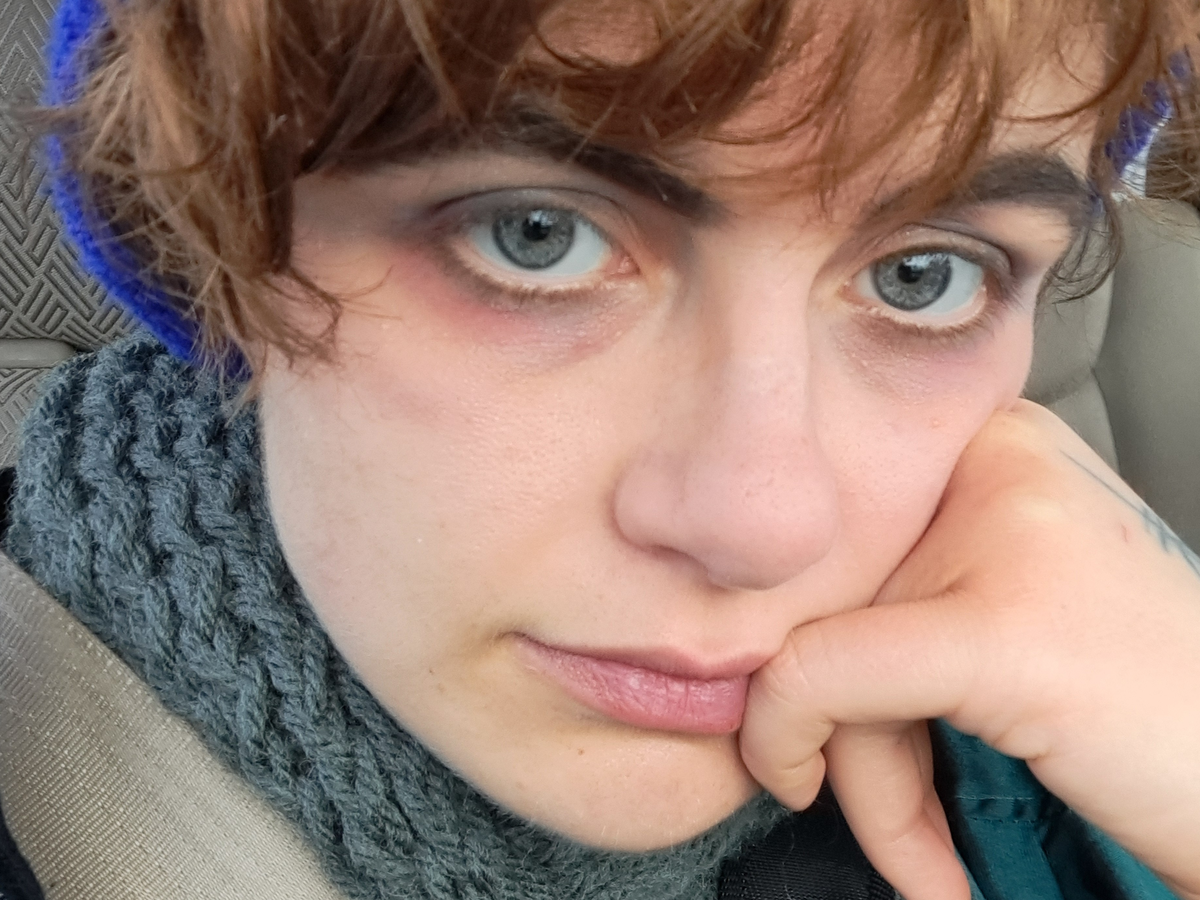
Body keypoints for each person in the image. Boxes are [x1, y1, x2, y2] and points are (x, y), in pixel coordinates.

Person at [3, 0, 1200, 897]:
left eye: (922, 276)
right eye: (538, 235)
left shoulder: (1094, 735)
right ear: (224, 243)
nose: (763, 524)